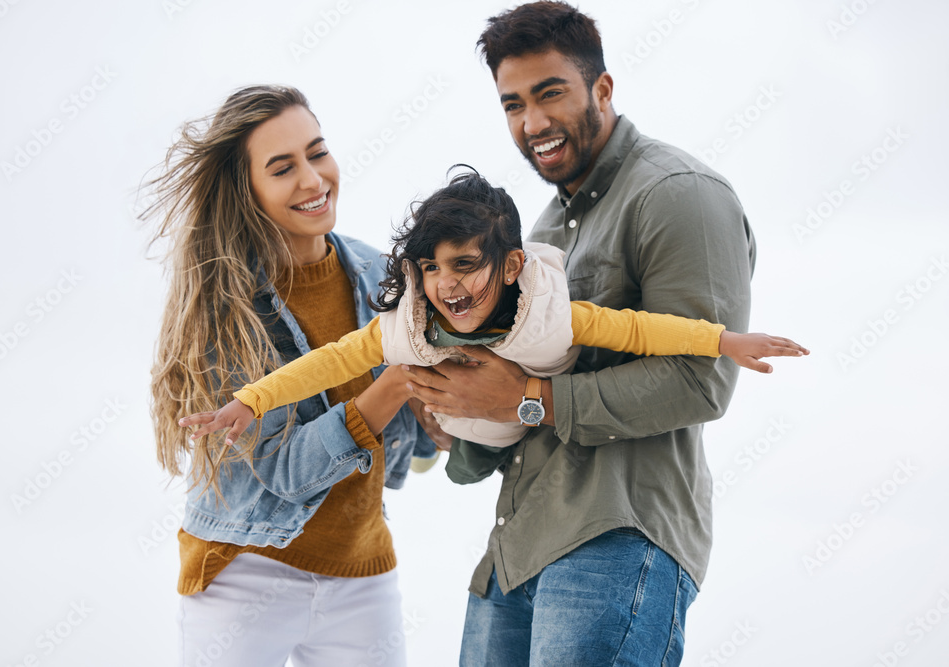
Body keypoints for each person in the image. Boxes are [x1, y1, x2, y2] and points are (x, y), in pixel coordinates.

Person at [401, 3, 774, 664]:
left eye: (550, 94)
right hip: (512, 556)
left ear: (602, 89)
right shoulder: (534, 239)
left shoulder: (677, 193)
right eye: (513, 103)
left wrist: (527, 398)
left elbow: (701, 379)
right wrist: (453, 416)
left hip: (616, 536)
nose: (532, 122)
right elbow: (504, 406)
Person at [182, 168, 806, 450]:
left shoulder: (552, 315)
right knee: (456, 447)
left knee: (494, 437)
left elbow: (639, 329)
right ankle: (445, 447)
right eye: (430, 269)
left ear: (509, 267)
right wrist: (251, 399)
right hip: (465, 431)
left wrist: (725, 342)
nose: (446, 286)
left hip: (525, 420)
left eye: (464, 265)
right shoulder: (407, 326)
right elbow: (327, 361)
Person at [144, 84, 434, 667]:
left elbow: (414, 430)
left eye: (316, 151)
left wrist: (443, 414)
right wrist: (395, 385)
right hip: (246, 575)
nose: (312, 179)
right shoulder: (225, 310)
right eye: (282, 168)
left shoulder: (381, 273)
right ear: (247, 192)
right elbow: (284, 471)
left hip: (362, 571)